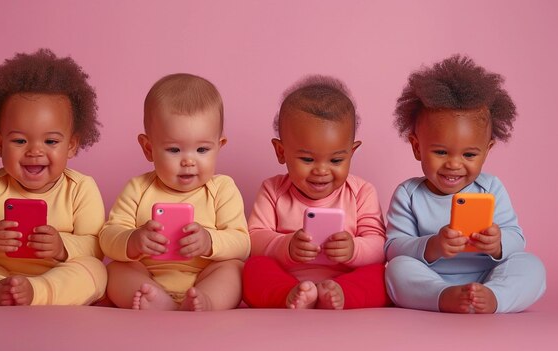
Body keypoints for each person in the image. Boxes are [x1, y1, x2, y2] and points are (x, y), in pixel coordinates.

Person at [0, 49, 107, 306]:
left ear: (71, 145)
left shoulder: (80, 187)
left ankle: (37, 292)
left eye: (50, 141)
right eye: (19, 140)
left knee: (96, 272)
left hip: (54, 275)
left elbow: (96, 245)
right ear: (0, 143)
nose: (35, 151)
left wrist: (62, 247)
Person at [385, 55, 546, 313]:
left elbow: (517, 238)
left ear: (487, 150)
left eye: (469, 155)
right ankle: (443, 296)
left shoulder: (491, 188)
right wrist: (433, 245)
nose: (454, 165)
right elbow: (393, 247)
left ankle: (495, 298)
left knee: (532, 266)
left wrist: (498, 242)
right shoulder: (409, 193)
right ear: (417, 147)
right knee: (396, 270)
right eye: (440, 152)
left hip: (488, 276)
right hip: (431, 278)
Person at [100, 73, 249, 311]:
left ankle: (207, 300)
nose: (188, 161)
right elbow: (108, 238)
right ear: (149, 148)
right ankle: (156, 300)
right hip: (147, 276)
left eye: (202, 149)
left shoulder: (222, 189)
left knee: (234, 269)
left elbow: (242, 242)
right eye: (174, 149)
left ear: (219, 147)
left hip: (205, 275)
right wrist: (134, 240)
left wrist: (209, 241)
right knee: (115, 270)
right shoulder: (138, 188)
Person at [242, 75, 391, 309]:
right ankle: (289, 295)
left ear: (352, 153)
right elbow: (254, 239)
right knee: (253, 268)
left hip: (346, 278)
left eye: (336, 159)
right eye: (308, 159)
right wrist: (287, 245)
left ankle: (340, 296)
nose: (321, 170)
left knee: (385, 273)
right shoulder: (273, 190)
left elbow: (379, 244)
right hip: (287, 278)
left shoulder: (361, 191)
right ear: (281, 152)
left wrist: (354, 249)